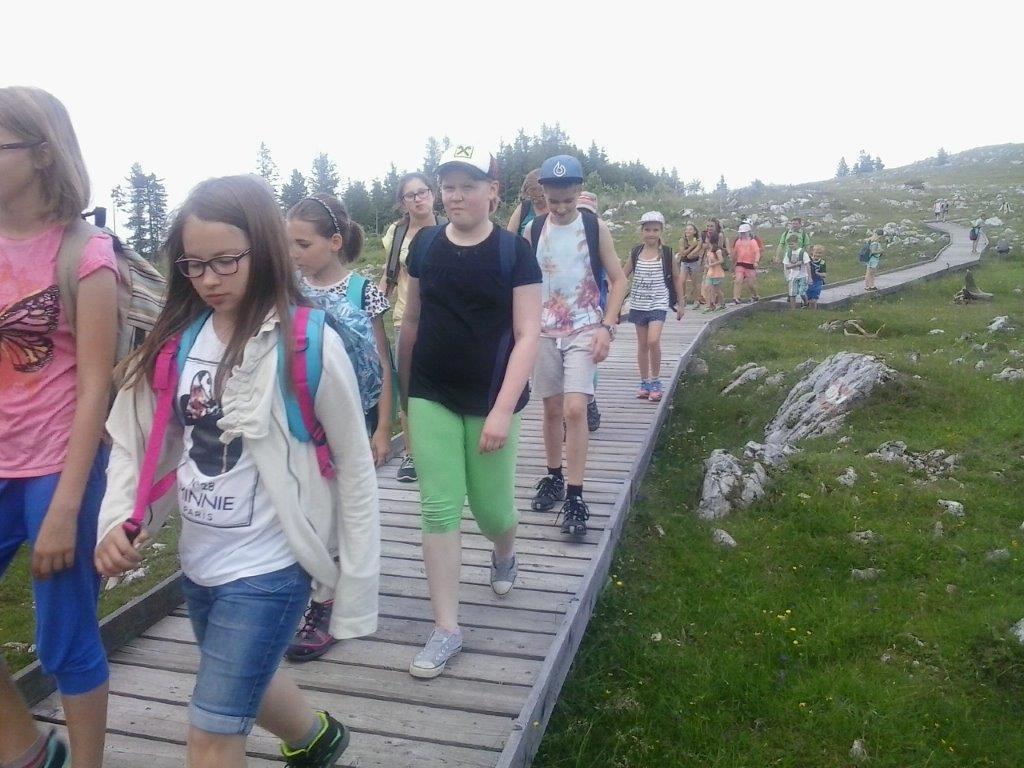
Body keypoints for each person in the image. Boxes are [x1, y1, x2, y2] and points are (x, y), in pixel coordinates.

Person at [94, 175, 380, 768]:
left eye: (226, 261)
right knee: (250, 677)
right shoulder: (178, 342)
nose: (209, 280)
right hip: (200, 562)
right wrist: (117, 519)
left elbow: (355, 468)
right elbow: (134, 440)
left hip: (272, 568)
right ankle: (318, 739)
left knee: (212, 733)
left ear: (265, 250)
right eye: (194, 265)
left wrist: (353, 586)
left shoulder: (306, 344)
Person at [0, 86, 118, 768]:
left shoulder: (85, 253)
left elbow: (96, 385)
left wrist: (66, 507)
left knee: (66, 638)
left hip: (57, 467)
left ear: (43, 155)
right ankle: (27, 752)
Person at [398, 143, 541, 678]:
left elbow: (528, 335)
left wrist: (502, 411)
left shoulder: (514, 252)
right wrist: (405, 398)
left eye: (468, 185)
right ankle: (446, 628)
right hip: (431, 392)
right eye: (448, 186)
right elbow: (411, 321)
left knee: (491, 512)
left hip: (491, 399)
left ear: (492, 191)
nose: (455, 196)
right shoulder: (425, 245)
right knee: (438, 507)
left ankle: (504, 551)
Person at [283, 193, 391, 663]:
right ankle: (320, 591)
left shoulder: (362, 291)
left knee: (346, 507)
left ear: (334, 242)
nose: (294, 254)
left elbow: (381, 363)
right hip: (303, 419)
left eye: (303, 244)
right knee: (313, 508)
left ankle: (331, 601)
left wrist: (383, 428)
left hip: (351, 417)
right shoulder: (288, 290)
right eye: (288, 244)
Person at [526, 154, 627, 537]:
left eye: (568, 200)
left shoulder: (593, 226)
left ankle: (575, 493)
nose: (561, 208)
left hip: (585, 327)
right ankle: (553, 476)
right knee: (551, 409)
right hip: (543, 330)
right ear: (543, 195)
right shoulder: (534, 230)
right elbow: (524, 283)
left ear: (579, 192)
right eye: (554, 201)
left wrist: (607, 326)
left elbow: (618, 280)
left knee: (574, 408)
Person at [379, 173, 445, 484]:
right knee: (407, 386)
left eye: (423, 192)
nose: (418, 199)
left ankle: (442, 447)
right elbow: (390, 274)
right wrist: (372, 309)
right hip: (404, 318)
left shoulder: (448, 229)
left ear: (433, 194)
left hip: (443, 321)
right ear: (402, 202)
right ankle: (411, 454)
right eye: (410, 195)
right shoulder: (397, 233)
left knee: (442, 385)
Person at [625, 211, 681, 402]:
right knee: (642, 344)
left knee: (653, 341)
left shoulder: (667, 253)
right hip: (638, 303)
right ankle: (645, 382)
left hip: (658, 302)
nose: (651, 233)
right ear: (642, 231)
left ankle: (656, 380)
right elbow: (622, 275)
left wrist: (681, 303)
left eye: (655, 230)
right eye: (647, 230)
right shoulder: (636, 253)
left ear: (661, 231)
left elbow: (676, 278)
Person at [576, 191, 603, 432]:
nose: (584, 217)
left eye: (588, 213)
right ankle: (574, 410)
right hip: (561, 314)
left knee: (589, 360)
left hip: (593, 311)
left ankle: (590, 401)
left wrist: (608, 319)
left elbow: (610, 278)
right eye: (580, 211)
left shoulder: (598, 237)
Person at [506, 169, 547, 237]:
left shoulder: (557, 209)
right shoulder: (524, 208)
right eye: (533, 198)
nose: (537, 201)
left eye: (542, 196)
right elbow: (509, 238)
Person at [731, 222, 761, 304]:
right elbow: (735, 252)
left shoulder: (753, 241)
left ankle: (755, 295)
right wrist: (733, 261)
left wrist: (756, 261)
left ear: (748, 232)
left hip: (750, 264)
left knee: (751, 284)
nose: (742, 234)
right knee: (738, 280)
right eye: (741, 233)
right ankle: (736, 297)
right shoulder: (738, 241)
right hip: (740, 263)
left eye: (744, 233)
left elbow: (757, 252)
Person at [677, 223, 703, 308]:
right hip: (684, 262)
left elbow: (696, 252)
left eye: (690, 229)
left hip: (694, 262)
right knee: (682, 281)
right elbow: (683, 253)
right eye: (687, 229)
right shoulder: (682, 240)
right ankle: (683, 299)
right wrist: (692, 246)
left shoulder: (698, 240)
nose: (688, 231)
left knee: (695, 282)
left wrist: (691, 252)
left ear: (694, 231)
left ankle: (696, 300)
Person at [782, 233, 811, 307]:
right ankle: (793, 309)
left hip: (803, 275)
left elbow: (807, 265)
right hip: (793, 276)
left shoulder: (802, 252)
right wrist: (787, 275)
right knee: (792, 293)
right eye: (789, 244)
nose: (790, 246)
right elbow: (786, 266)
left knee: (802, 292)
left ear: (797, 243)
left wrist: (809, 277)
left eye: (792, 244)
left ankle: (806, 303)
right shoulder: (788, 253)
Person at [702, 242, 726, 311]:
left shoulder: (717, 250)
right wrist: (706, 265)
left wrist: (711, 264)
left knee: (717, 290)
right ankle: (710, 305)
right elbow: (707, 261)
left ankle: (722, 303)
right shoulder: (708, 250)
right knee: (707, 288)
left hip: (717, 273)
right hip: (710, 273)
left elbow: (721, 260)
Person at [806, 244, 827, 308]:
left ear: (822, 254)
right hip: (808, 282)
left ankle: (814, 310)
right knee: (809, 300)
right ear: (812, 252)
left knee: (814, 300)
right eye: (816, 252)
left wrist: (818, 273)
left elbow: (824, 275)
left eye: (820, 253)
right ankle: (811, 312)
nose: (817, 254)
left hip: (817, 282)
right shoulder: (808, 260)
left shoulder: (822, 262)